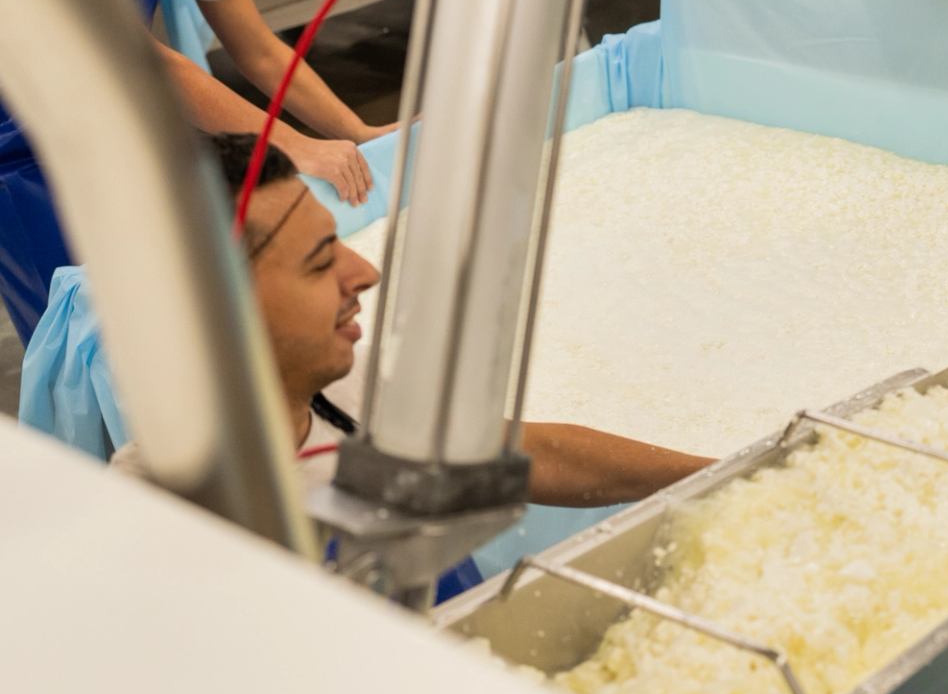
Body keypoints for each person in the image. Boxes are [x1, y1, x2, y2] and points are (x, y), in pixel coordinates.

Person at [112, 134, 711, 513]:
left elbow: (532, 454)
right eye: (320, 262)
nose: (365, 272)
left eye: (339, 244)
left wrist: (727, 478)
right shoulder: (160, 515)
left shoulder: (349, 389)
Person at [0, 0, 392, 343]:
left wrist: (357, 133)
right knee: (77, 324)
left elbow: (259, 51)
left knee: (161, 301)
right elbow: (148, 65)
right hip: (14, 146)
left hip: (102, 115)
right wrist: (292, 145)